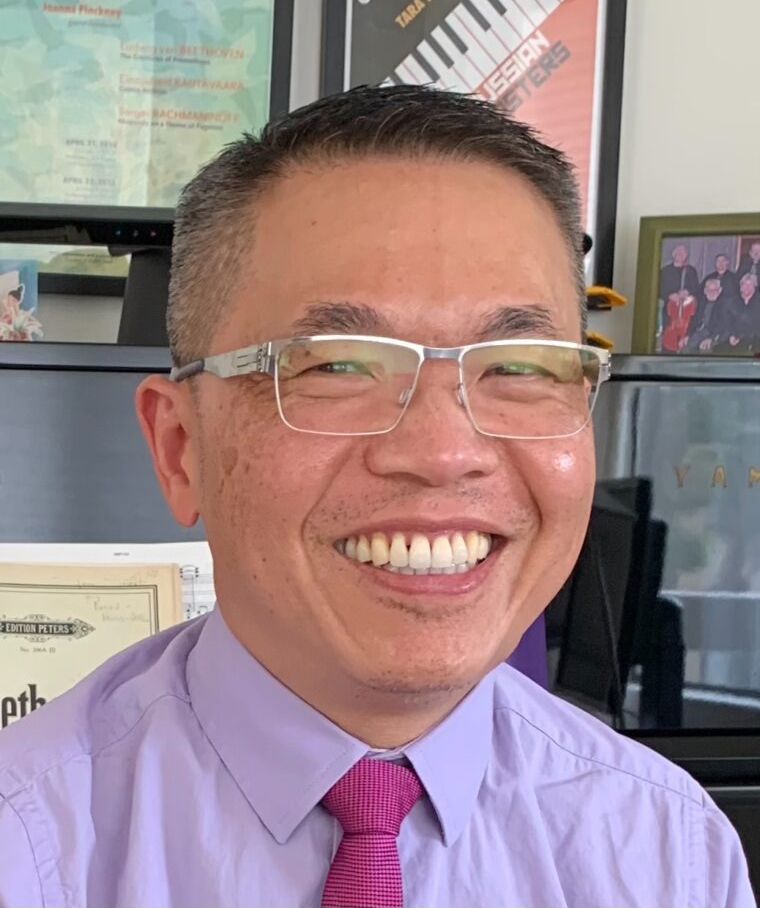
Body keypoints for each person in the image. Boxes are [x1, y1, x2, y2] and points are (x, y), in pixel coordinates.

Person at [0, 86, 754, 908]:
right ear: (181, 449)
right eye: (335, 365)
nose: (444, 453)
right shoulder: (32, 846)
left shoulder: (669, 851)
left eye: (518, 367)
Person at [658, 243, 700, 350]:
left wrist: (688, 292)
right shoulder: (665, 271)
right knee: (668, 336)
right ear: (673, 254)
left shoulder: (691, 271)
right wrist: (670, 295)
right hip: (670, 311)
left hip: (686, 312)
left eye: (683, 252)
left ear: (686, 256)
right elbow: (658, 289)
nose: (680, 254)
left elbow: (697, 289)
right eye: (678, 252)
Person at [681, 276, 733, 352]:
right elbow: (694, 320)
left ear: (720, 290)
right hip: (700, 332)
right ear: (705, 291)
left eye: (714, 290)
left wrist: (710, 338)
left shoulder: (725, 304)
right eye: (709, 290)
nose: (711, 292)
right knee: (685, 349)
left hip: (716, 335)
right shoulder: (702, 302)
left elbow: (723, 325)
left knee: (704, 350)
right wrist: (687, 335)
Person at [718, 273, 760, 354]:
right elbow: (726, 321)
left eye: (750, 285)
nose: (747, 287)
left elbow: (756, 325)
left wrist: (741, 337)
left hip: (753, 337)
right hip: (732, 336)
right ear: (740, 286)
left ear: (755, 287)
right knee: (719, 350)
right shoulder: (732, 301)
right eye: (744, 284)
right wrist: (731, 335)